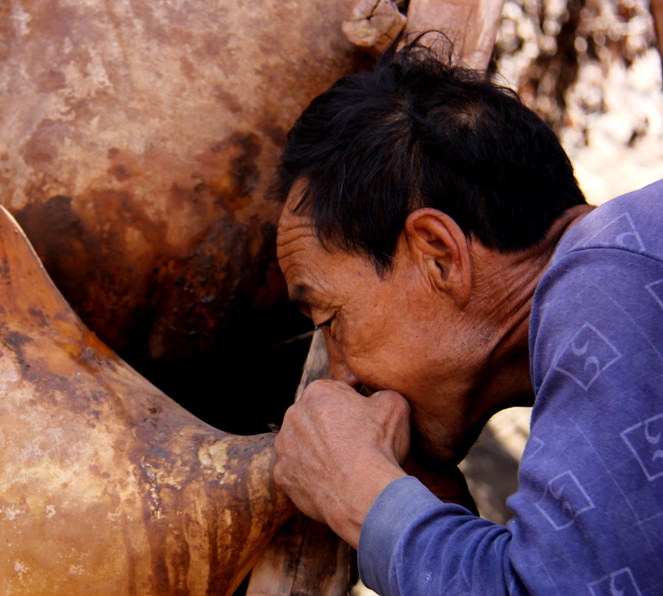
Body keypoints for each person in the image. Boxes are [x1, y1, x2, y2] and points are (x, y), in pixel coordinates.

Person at [272, 40, 663, 595]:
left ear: (438, 255)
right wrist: (439, 510)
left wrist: (359, 492)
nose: (343, 376)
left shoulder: (613, 281)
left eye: (331, 320)